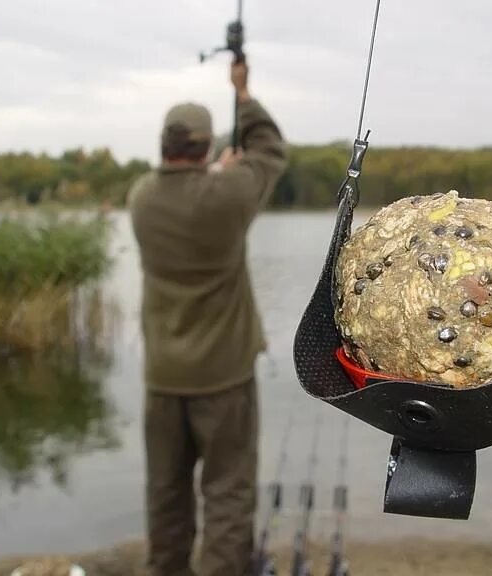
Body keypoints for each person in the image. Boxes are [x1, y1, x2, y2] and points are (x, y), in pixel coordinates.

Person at [128, 59, 287, 576]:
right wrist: (243, 93)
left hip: (163, 380)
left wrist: (217, 172)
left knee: (166, 494)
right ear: (203, 147)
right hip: (223, 378)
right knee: (227, 493)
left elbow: (187, 191)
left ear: (164, 145)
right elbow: (269, 150)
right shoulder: (228, 194)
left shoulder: (141, 199)